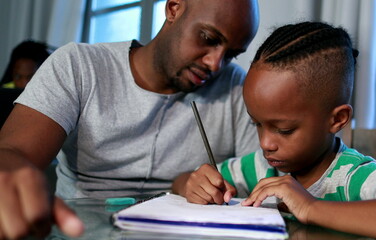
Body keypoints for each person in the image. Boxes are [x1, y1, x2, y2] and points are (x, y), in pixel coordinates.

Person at [0, 0, 259, 238]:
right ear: (173, 8)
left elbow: (262, 177)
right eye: (209, 37)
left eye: (231, 54)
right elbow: (13, 151)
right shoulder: (79, 66)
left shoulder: (236, 87)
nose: (215, 64)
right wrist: (11, 173)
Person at [172, 21, 376, 239]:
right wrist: (195, 185)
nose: (265, 143)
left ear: (337, 119)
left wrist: (310, 207)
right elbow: (181, 182)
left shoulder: (354, 178)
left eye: (283, 129)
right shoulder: (261, 169)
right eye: (256, 124)